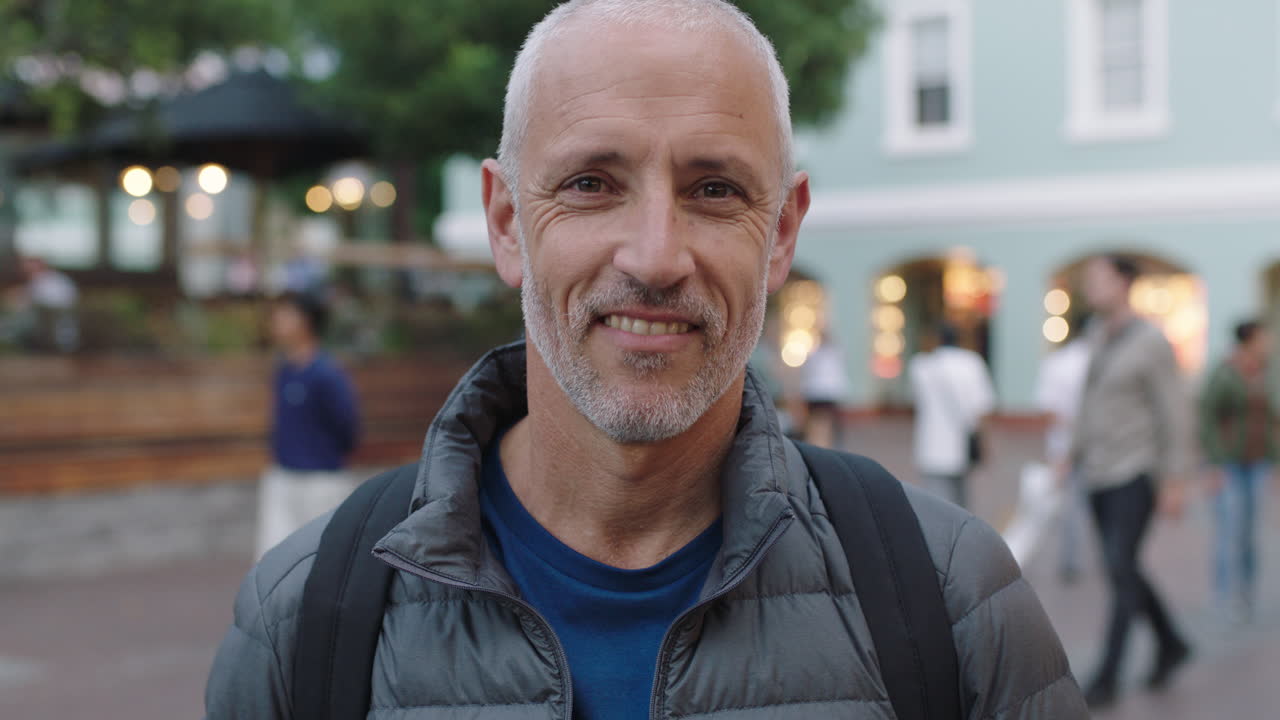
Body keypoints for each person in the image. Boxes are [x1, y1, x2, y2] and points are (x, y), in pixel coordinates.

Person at [206, 2, 1086, 718]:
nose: (655, 256)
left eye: (714, 189)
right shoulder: (308, 616)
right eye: (592, 183)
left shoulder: (950, 597)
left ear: (780, 233)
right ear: (506, 222)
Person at [1071, 255, 1193, 708]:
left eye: (1098, 280)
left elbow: (1175, 412)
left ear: (1124, 283)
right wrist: (1071, 454)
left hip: (1135, 471)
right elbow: (1087, 402)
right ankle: (1171, 642)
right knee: (1122, 569)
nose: (1090, 288)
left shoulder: (1151, 342)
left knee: (1121, 569)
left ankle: (1107, 675)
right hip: (1099, 471)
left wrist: (1175, 480)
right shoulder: (1098, 337)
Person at [254, 291, 360, 559]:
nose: (277, 321)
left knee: (320, 558)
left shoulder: (327, 374)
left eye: (286, 314)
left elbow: (347, 428)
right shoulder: (284, 371)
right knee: (272, 559)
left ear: (306, 321)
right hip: (282, 476)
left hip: (321, 482)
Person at [1198, 319, 1278, 622]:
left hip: (1256, 463)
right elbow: (1207, 416)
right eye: (1264, 338)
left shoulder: (1263, 373)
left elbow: (1270, 420)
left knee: (1248, 533)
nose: (1268, 343)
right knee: (1227, 531)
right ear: (1249, 340)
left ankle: (1246, 592)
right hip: (1228, 464)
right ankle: (1222, 596)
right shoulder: (1226, 372)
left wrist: (1275, 461)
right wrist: (1215, 463)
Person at [908, 322, 996, 509]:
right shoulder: (972, 363)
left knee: (935, 506)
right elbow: (982, 409)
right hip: (961, 445)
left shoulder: (921, 366)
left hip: (930, 446)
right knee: (962, 505)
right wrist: (984, 444)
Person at [1034, 322, 1093, 582]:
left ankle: (1070, 560)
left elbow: (1047, 410)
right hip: (1098, 444)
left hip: (1063, 443)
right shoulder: (1100, 362)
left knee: (1069, 505)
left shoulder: (1056, 363)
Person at [799, 333, 848, 448]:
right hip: (823, 393)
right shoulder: (832, 353)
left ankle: (820, 444)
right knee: (821, 423)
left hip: (819, 393)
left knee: (821, 423)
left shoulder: (819, 354)